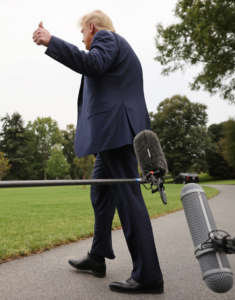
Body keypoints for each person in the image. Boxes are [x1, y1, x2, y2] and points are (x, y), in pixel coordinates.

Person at [32, 10, 163, 294]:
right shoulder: (115, 46)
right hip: (114, 135)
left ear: (92, 27)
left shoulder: (106, 38)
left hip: (118, 133)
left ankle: (148, 275)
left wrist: (51, 41)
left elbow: (93, 64)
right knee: (101, 193)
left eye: (83, 34)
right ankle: (97, 256)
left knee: (128, 201)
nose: (83, 40)